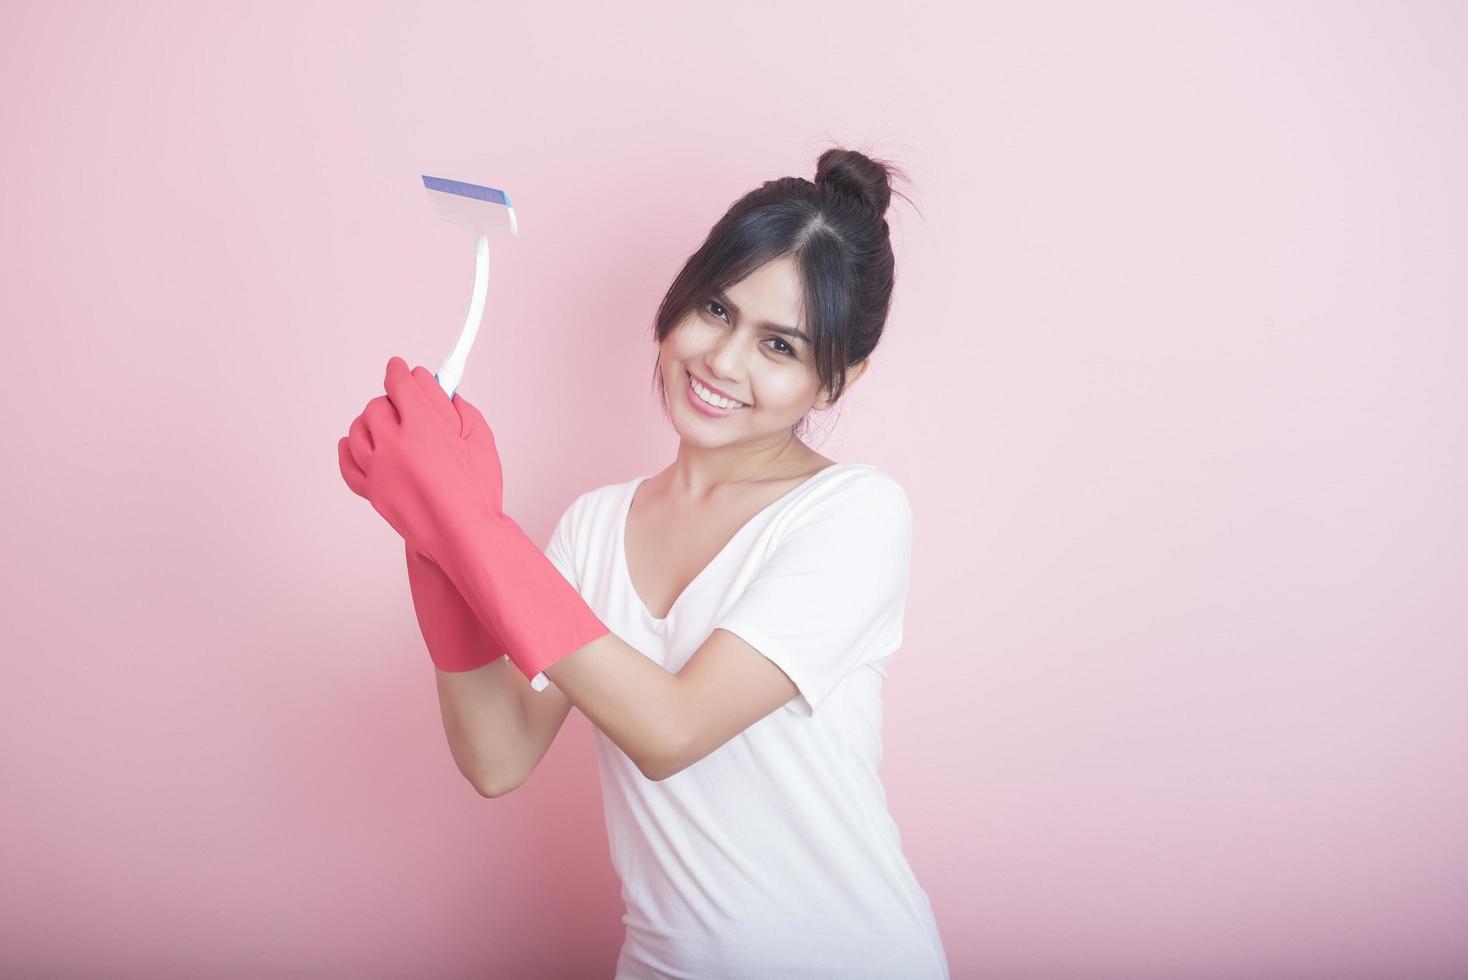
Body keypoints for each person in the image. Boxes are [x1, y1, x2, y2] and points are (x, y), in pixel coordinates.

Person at [340, 146, 948, 980]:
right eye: (715, 309)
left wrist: (471, 526)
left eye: (780, 346)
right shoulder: (596, 525)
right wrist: (433, 536)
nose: (724, 361)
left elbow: (672, 728)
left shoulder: (853, 517)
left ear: (837, 381)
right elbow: (497, 756)